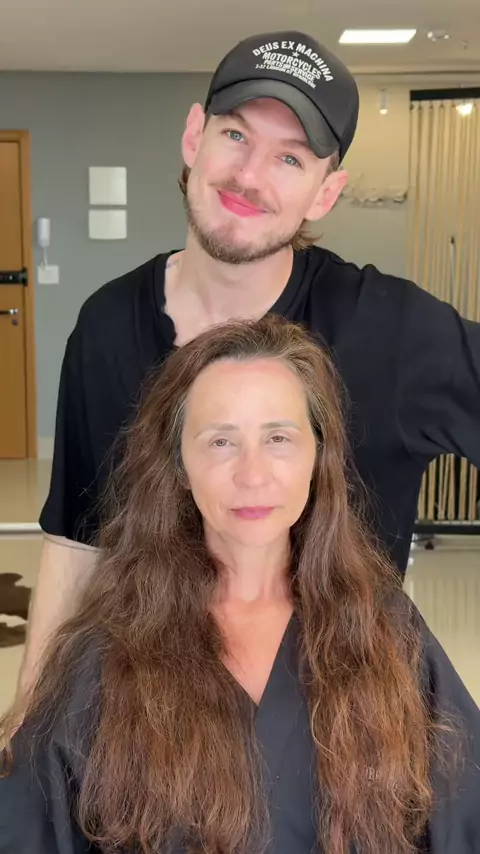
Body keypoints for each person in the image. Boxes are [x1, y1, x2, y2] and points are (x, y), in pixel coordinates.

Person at [20, 29, 480, 696]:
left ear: (325, 193)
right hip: (147, 720)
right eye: (236, 135)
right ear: (194, 137)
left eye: (290, 158)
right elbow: (77, 545)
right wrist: (28, 722)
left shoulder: (392, 330)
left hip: (338, 726)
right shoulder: (107, 325)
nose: (249, 176)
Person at [2, 316, 479, 854]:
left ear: (318, 456)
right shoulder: (107, 651)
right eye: (221, 441)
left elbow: (464, 812)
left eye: (278, 438)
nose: (253, 474)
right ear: (179, 465)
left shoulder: (387, 629)